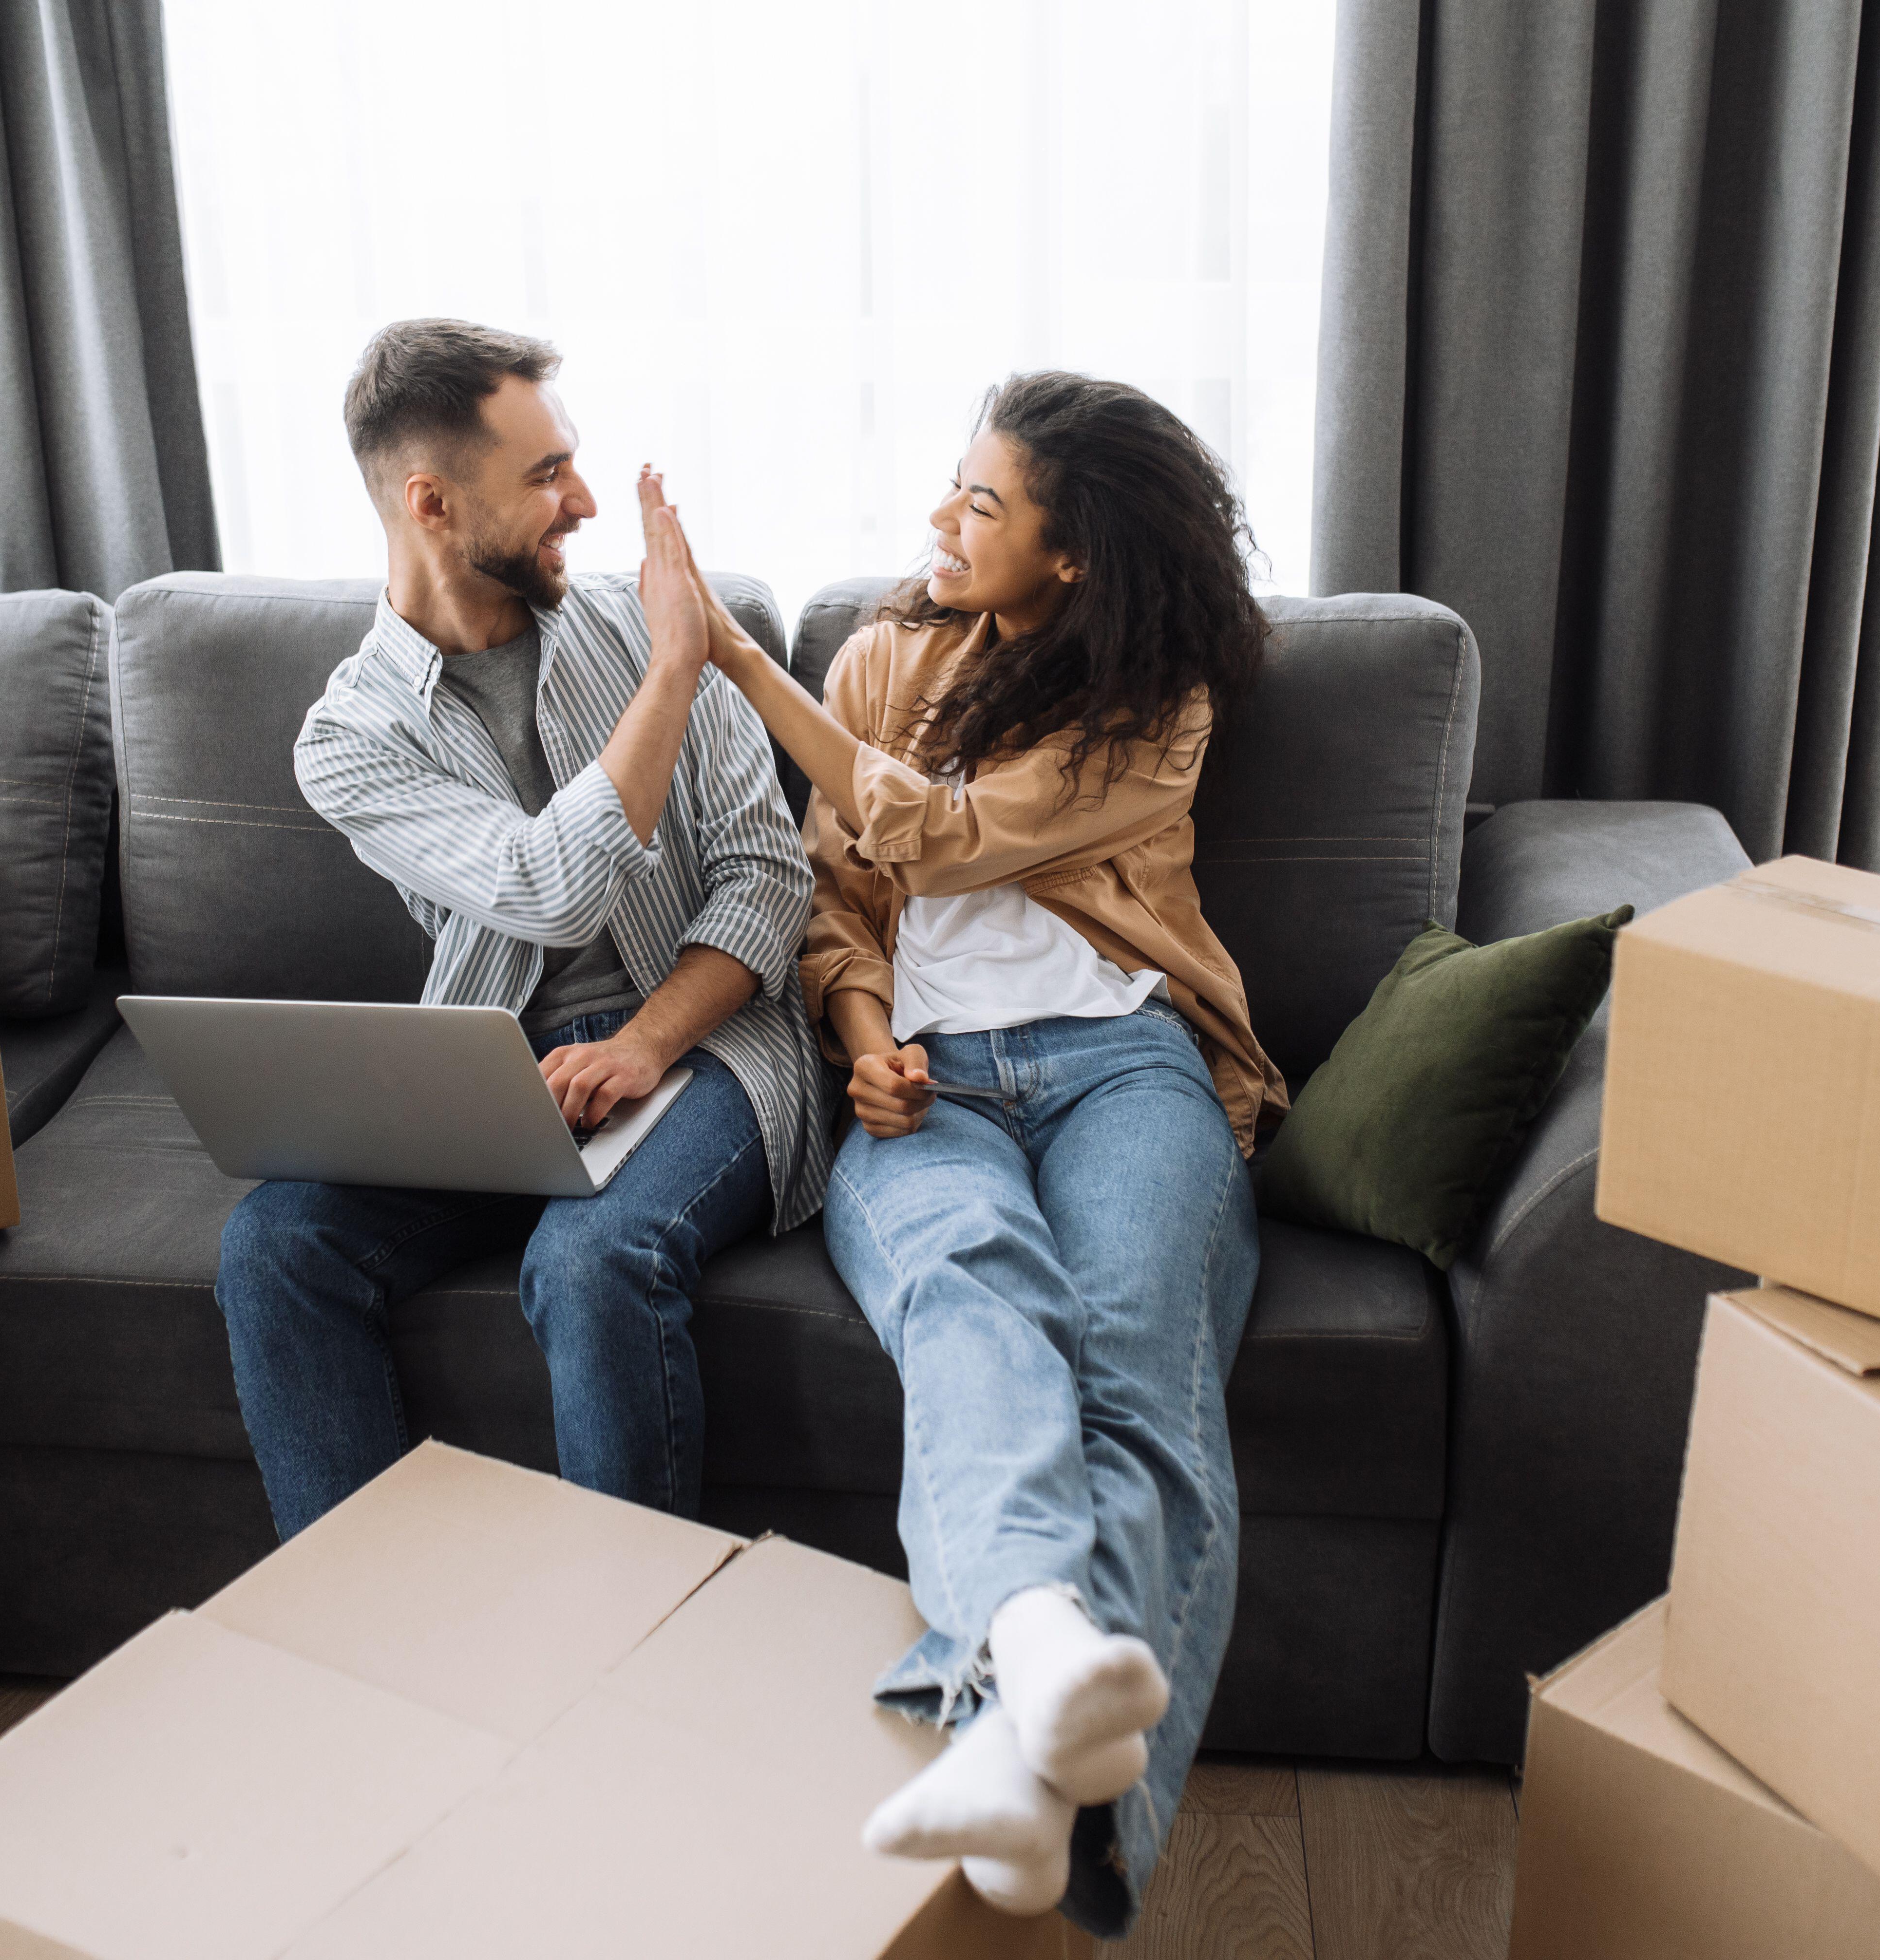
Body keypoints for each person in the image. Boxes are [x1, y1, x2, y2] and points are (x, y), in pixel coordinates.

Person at [648, 371, 1282, 1937]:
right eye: (952, 484)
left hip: (1124, 1067)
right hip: (924, 1086)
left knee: (1134, 1350)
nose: (940, 518)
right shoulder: (878, 659)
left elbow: (938, 834)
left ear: (1071, 555)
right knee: (970, 1294)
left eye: (981, 502)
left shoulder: (1158, 703)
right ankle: (1047, 1662)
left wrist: (733, 660)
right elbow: (835, 897)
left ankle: (1020, 1736)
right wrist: (865, 1044)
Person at [215, 318, 831, 1538]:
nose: (587, 501)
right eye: (547, 474)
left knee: (590, 1262)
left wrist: (648, 1044)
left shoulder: (640, 625)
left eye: (574, 463)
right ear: (432, 502)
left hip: (711, 1044)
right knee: (275, 1246)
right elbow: (545, 887)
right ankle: (374, 1636)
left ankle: (629, 1660)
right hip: (500, 1066)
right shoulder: (348, 740)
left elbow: (767, 878)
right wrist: (671, 675)